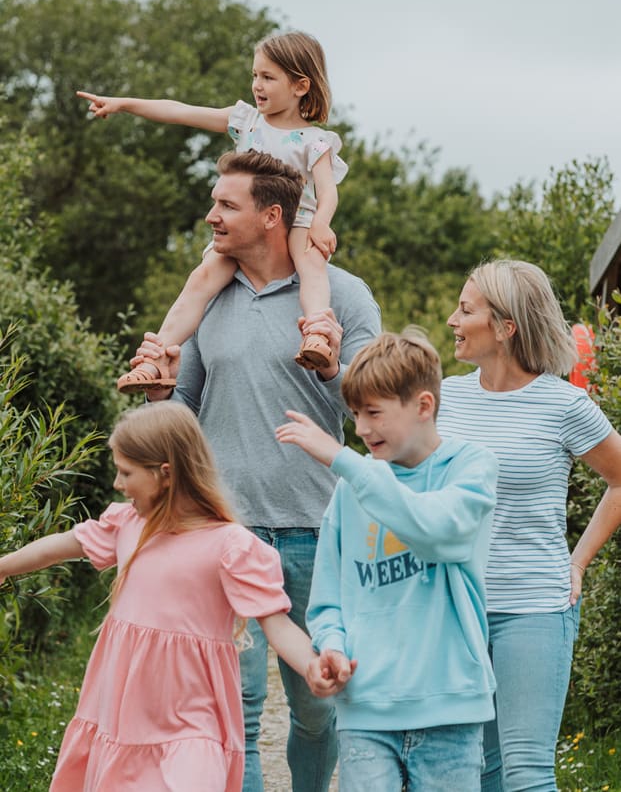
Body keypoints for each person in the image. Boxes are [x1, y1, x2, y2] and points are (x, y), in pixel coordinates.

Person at [132, 149, 381, 792]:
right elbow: (184, 405)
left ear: (273, 216)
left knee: (316, 707)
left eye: (226, 205)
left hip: (316, 529)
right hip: (224, 531)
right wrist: (159, 388)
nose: (210, 214)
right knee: (230, 709)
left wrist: (329, 365)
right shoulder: (210, 297)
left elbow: (377, 404)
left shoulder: (343, 295)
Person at [0, 402, 350, 791]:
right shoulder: (128, 524)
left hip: (192, 720)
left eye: (126, 472)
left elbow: (277, 624)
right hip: (124, 714)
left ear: (165, 474)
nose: (117, 483)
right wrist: (4, 566)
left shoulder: (231, 546)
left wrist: (311, 665)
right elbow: (65, 544)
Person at [276, 330, 499, 792]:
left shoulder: (472, 467)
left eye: (374, 412)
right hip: (365, 709)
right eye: (355, 413)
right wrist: (332, 648)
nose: (360, 429)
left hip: (449, 707)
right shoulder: (349, 489)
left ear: (423, 406)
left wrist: (345, 462)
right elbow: (328, 599)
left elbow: (438, 533)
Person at [437, 259, 621, 792]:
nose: (452, 319)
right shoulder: (446, 396)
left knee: (526, 774)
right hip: (455, 608)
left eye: (466, 309)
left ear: (505, 327)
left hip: (534, 608)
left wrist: (578, 560)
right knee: (476, 771)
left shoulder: (563, 404)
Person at [77, 30, 347, 383]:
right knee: (201, 278)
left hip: (295, 223)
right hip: (242, 227)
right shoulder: (246, 121)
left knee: (311, 265)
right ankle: (156, 357)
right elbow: (180, 111)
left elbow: (328, 191)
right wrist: (124, 104)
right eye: (255, 75)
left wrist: (321, 224)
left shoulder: (314, 141)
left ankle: (316, 335)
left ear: (300, 86)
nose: (257, 85)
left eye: (267, 77)